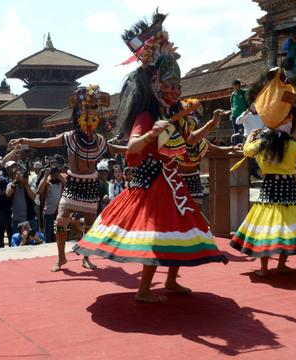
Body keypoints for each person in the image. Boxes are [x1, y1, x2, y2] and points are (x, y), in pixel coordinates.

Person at [73, 11, 227, 302]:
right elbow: (133, 147)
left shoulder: (171, 115)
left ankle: (170, 281)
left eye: (178, 86)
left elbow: (188, 141)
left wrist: (210, 126)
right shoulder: (147, 114)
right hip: (153, 183)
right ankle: (143, 290)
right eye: (171, 85)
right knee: (156, 236)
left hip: (172, 182)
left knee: (178, 231)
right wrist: (151, 133)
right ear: (157, 85)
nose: (177, 90)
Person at [9, 85, 127, 272]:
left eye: (93, 113)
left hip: (90, 184)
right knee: (61, 219)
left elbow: (117, 149)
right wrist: (25, 140)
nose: (90, 117)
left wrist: (137, 148)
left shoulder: (100, 140)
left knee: (89, 223)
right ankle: (62, 257)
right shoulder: (69, 137)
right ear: (78, 116)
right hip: (72, 183)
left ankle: (86, 258)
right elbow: (45, 142)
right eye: (86, 112)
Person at [231, 100, 296, 276]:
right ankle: (279, 265)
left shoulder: (262, 144)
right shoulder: (295, 146)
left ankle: (265, 269)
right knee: (287, 228)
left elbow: (247, 151)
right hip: (288, 191)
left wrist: (251, 136)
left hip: (269, 191)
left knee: (268, 228)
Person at [5, 164, 37, 236]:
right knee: (17, 240)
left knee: (33, 240)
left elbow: (33, 197)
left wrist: (25, 184)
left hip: (30, 218)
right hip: (17, 220)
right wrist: (15, 181)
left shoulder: (30, 184)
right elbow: (8, 194)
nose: (21, 176)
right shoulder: (11, 184)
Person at [37, 166, 64, 243]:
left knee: (59, 233)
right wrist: (46, 176)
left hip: (59, 214)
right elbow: (39, 190)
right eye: (53, 172)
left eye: (56, 172)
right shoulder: (46, 181)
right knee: (48, 235)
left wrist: (59, 175)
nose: (55, 174)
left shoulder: (61, 181)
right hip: (48, 213)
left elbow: (67, 184)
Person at [230, 79, 250, 144]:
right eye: (234, 86)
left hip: (242, 115)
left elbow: (251, 89)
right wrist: (232, 111)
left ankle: (245, 144)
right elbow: (232, 104)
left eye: (236, 85)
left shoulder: (243, 92)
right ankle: (236, 145)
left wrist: (244, 82)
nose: (235, 87)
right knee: (235, 131)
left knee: (245, 130)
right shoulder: (233, 94)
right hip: (234, 116)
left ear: (239, 85)